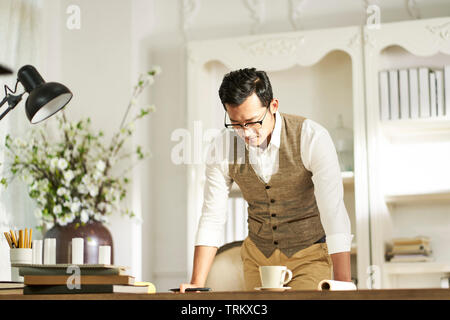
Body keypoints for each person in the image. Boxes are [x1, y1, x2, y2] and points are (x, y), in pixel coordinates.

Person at [179, 68, 353, 292]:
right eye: (236, 123)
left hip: (309, 255)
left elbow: (333, 211)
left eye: (252, 122)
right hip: (258, 258)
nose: (246, 133)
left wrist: (343, 283)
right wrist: (196, 284)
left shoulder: (311, 137)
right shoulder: (222, 147)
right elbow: (212, 216)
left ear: (273, 106)